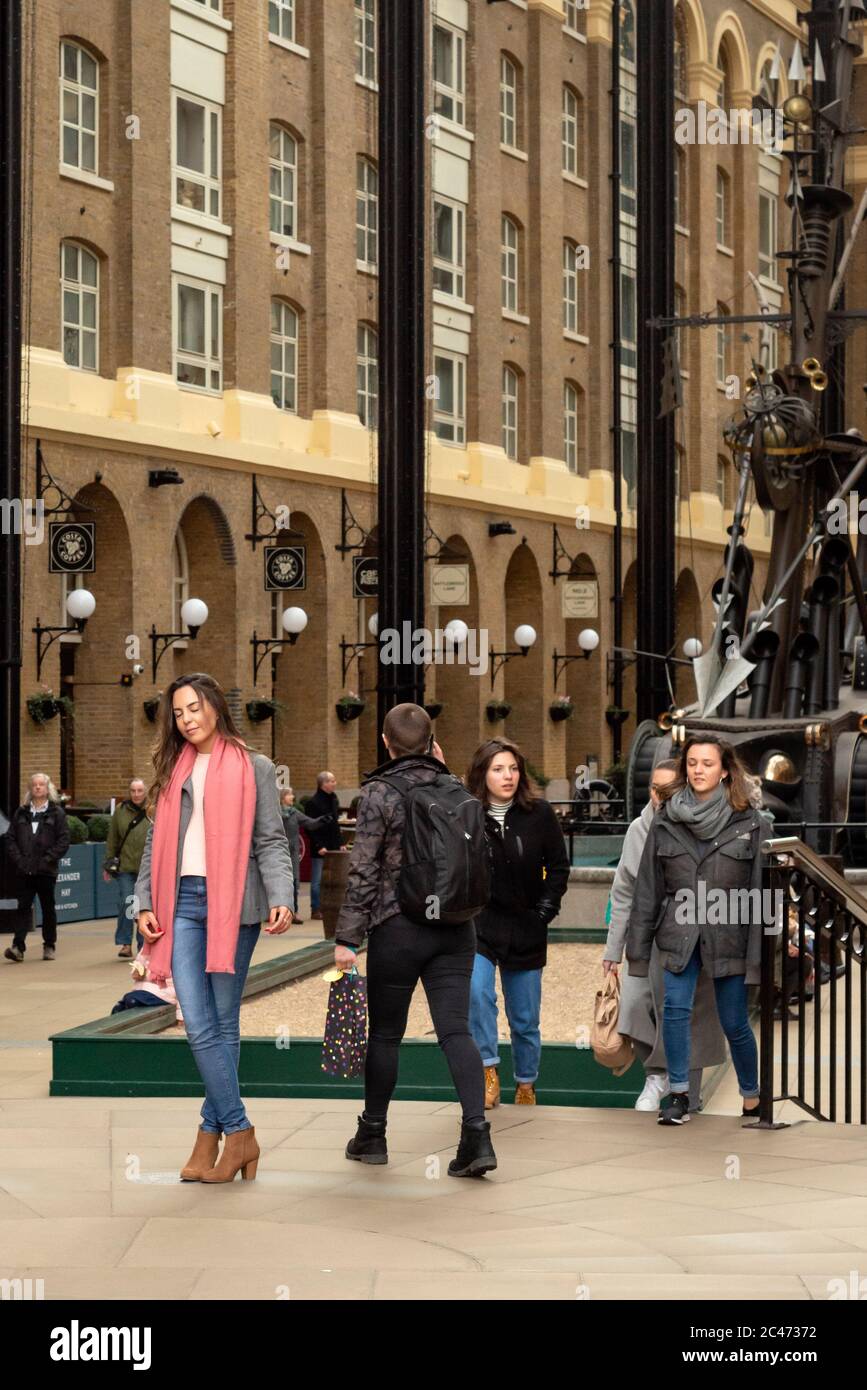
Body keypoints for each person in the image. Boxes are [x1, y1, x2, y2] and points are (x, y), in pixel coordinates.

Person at [134, 672, 293, 1183]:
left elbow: (271, 839)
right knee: (197, 1022)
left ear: (216, 707)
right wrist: (141, 902)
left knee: (222, 1023)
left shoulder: (255, 767)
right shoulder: (173, 769)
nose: (187, 719)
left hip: (236, 906)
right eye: (178, 713)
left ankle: (210, 1134)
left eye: (194, 708)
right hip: (180, 902)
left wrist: (282, 897)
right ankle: (239, 1132)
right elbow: (152, 843)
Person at [333, 703, 496, 1178]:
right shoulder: (456, 787)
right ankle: (476, 1136)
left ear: (386, 742)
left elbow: (362, 869)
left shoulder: (379, 793)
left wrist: (347, 937)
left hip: (398, 927)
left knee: (386, 1034)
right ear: (431, 741)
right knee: (456, 1030)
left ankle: (373, 1134)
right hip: (456, 927)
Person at [627, 734, 774, 1125]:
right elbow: (647, 888)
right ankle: (679, 1094)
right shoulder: (666, 820)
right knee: (675, 1010)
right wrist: (637, 952)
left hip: (730, 933)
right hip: (678, 931)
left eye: (707, 763)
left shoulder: (751, 824)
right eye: (692, 763)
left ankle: (751, 1094)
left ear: (725, 770)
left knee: (733, 1020)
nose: (698, 770)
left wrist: (761, 957)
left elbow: (762, 893)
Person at [603, 759, 726, 1113]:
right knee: (634, 1006)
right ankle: (658, 1074)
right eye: (654, 789)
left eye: (667, 789)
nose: (659, 797)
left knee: (691, 1013)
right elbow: (622, 892)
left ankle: (687, 1091)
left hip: (689, 936)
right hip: (645, 937)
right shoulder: (639, 829)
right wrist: (613, 950)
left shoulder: (700, 824)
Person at [466, 738, 570, 1108]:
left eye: (512, 768)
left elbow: (558, 868)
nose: (507, 776)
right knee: (478, 995)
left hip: (526, 926)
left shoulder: (538, 814)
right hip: (480, 925)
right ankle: (488, 1070)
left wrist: (544, 912)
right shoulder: (468, 814)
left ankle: (526, 1083)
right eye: (498, 769)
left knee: (524, 1017)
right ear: (482, 774)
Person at [4, 772, 70, 962]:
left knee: (48, 907)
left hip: (46, 870)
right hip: (24, 870)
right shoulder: (21, 812)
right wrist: (19, 860)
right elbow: (10, 839)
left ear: (48, 788)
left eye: (42, 785)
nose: (38, 788)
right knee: (23, 907)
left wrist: (48, 858)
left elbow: (64, 840)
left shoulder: (56, 813)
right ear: (30, 789)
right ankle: (18, 947)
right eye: (35, 785)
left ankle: (49, 945)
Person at [103, 778, 151, 959]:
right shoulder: (121, 812)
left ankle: (142, 943)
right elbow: (113, 838)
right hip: (126, 867)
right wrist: (108, 863)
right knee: (127, 902)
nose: (136, 794)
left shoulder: (153, 809)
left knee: (143, 906)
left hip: (147, 869)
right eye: (133, 791)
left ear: (145, 791)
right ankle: (124, 943)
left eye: (140, 790)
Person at [279, 787, 326, 923]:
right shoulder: (276, 813)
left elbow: (309, 823)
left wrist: (321, 821)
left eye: (292, 794)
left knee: (293, 881)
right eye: (289, 795)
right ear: (282, 798)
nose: (292, 797)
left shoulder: (295, 813)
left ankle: (294, 912)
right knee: (280, 881)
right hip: (279, 851)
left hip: (293, 852)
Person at [304, 771, 344, 920]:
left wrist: (340, 843)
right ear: (324, 784)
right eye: (332, 781)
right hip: (320, 847)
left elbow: (335, 824)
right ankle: (316, 908)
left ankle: (330, 906)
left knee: (332, 879)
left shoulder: (333, 799)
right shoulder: (313, 803)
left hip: (333, 844)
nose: (335, 783)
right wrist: (319, 845)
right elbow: (310, 827)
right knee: (318, 880)